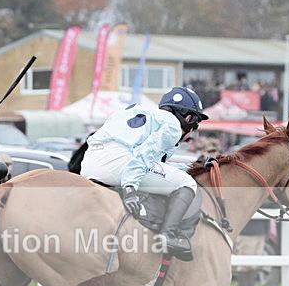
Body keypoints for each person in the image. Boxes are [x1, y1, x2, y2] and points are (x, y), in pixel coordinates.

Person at [80, 86, 208, 259]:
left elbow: (154, 166)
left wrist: (192, 166)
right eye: (195, 124)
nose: (193, 130)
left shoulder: (140, 113)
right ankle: (168, 235)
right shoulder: (173, 126)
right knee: (187, 183)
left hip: (89, 164)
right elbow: (144, 155)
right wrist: (130, 188)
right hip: (119, 164)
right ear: (188, 118)